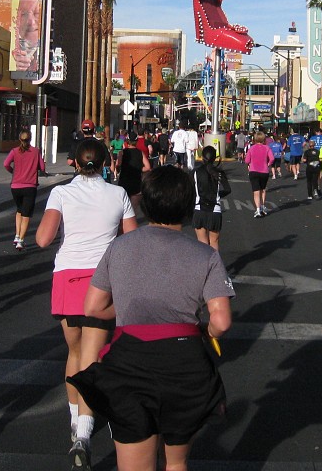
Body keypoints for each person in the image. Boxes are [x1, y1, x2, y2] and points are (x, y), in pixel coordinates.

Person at [69, 166, 234, 471]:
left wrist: (127, 305)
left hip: (130, 358)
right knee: (176, 463)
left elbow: (92, 307)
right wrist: (206, 330)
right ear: (186, 208)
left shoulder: (118, 247)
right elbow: (221, 322)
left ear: (145, 203)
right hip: (185, 361)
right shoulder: (206, 255)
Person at [36, 137, 138, 468]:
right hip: (102, 279)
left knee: (75, 352)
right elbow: (131, 239)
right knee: (93, 358)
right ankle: (83, 432)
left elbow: (43, 239)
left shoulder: (61, 193)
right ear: (107, 162)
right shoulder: (118, 194)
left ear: (75, 163)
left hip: (67, 277)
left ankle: (74, 421)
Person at [4, 130, 45, 251]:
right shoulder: (35, 151)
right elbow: (42, 167)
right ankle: (21, 240)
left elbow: (6, 163)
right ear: (30, 138)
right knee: (26, 214)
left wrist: (13, 172)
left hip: (15, 186)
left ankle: (17, 235)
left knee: (19, 210)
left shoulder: (14, 151)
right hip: (30, 186)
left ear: (19, 139)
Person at [194, 145, 230, 251]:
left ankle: (203, 267)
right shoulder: (219, 172)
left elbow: (191, 190)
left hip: (199, 209)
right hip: (215, 210)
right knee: (214, 242)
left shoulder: (196, 172)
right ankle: (215, 266)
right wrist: (218, 195)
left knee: (202, 243)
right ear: (214, 158)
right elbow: (228, 189)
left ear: (202, 157)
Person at [117, 131, 151, 217]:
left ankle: (122, 224)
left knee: (122, 206)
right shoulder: (140, 153)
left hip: (124, 181)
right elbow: (147, 167)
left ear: (127, 140)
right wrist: (139, 168)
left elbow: (118, 164)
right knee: (133, 209)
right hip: (136, 182)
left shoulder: (122, 152)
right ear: (136, 141)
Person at [244, 131, 275, 218]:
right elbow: (272, 158)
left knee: (256, 191)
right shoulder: (267, 148)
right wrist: (268, 164)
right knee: (263, 189)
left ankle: (258, 210)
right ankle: (262, 206)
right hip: (264, 171)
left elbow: (246, 161)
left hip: (253, 171)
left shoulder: (252, 148)